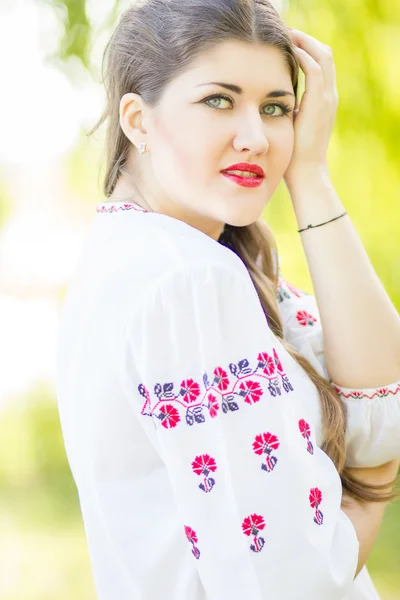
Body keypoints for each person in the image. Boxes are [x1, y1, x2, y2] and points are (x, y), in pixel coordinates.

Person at [55, 1, 400, 598]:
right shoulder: (186, 283)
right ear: (137, 119)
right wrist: (374, 478)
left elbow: (376, 386)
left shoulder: (150, 261)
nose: (256, 137)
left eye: (276, 108)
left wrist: (311, 173)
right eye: (219, 99)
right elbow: (291, 581)